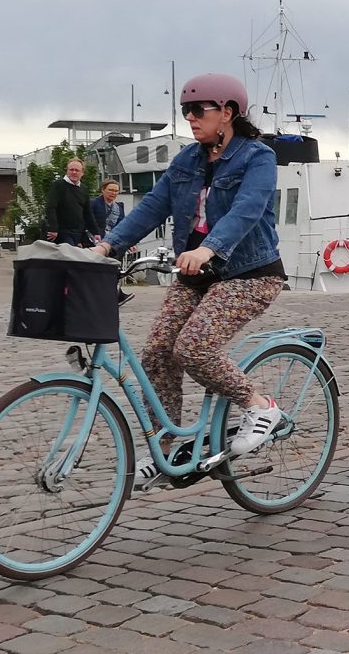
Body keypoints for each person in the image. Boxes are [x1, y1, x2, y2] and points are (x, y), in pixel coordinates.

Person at [92, 73, 287, 479]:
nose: (191, 118)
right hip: (197, 275)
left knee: (194, 346)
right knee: (158, 352)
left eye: (199, 110)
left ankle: (259, 407)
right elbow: (151, 208)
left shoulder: (258, 157)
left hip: (248, 273)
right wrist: (106, 247)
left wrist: (208, 248)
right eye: (186, 111)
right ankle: (164, 451)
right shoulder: (187, 161)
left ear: (228, 113)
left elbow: (247, 210)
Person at [46, 158, 100, 247]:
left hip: (77, 232)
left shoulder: (83, 189)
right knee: (68, 253)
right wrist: (53, 228)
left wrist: (95, 232)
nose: (74, 172)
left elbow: (88, 213)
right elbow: (50, 207)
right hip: (61, 231)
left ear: (82, 173)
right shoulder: (58, 185)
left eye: (77, 170)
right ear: (67, 171)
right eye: (71, 170)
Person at [90, 180, 126, 253]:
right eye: (110, 190)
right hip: (92, 241)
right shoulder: (92, 203)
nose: (113, 193)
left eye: (116, 191)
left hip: (110, 243)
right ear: (103, 190)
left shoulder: (119, 207)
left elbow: (122, 226)